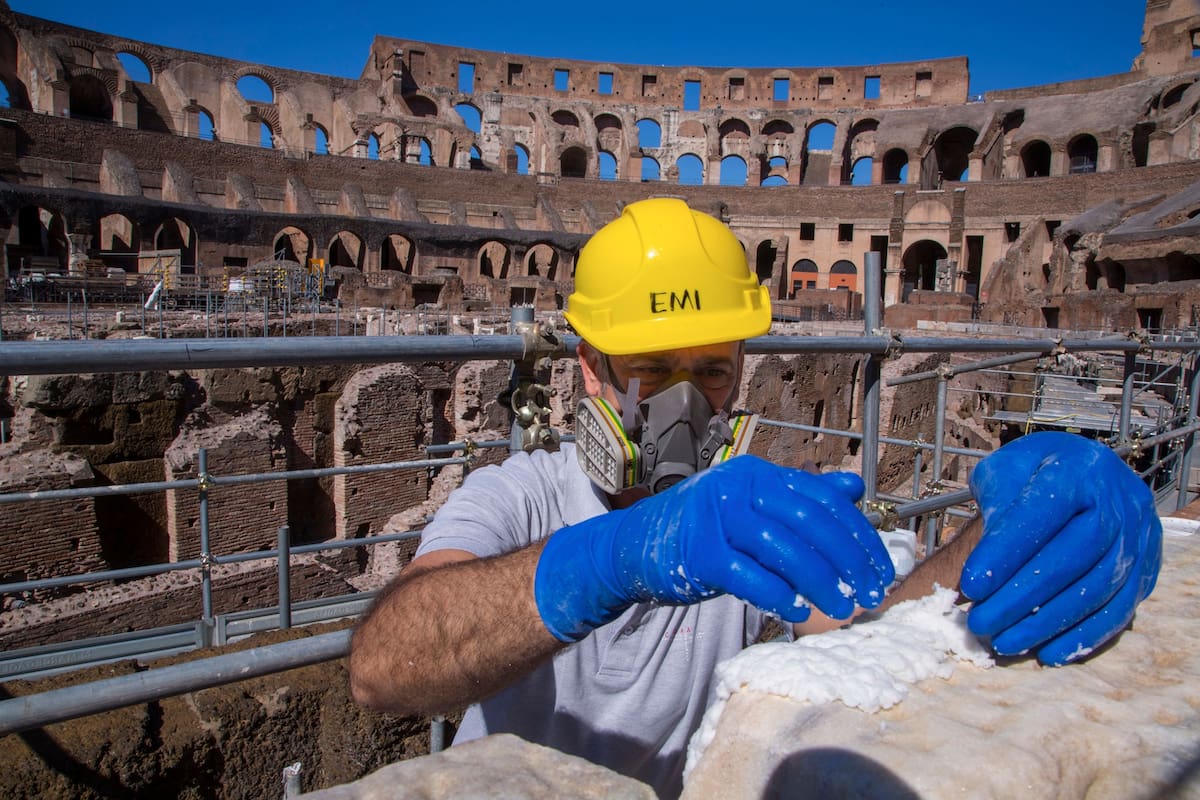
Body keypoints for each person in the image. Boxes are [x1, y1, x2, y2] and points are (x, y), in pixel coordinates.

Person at [349, 198, 1162, 798]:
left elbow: (882, 622)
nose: (684, 403)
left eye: (711, 372)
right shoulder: (517, 497)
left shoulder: (747, 514)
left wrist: (1007, 530)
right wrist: (610, 560)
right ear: (589, 369)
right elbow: (384, 671)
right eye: (652, 370)